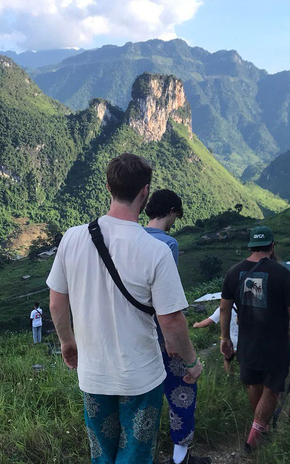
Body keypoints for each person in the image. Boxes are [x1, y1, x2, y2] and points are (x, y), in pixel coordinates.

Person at [48, 154, 203, 464]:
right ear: (145, 193)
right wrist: (191, 362)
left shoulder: (72, 238)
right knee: (134, 455)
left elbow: (56, 300)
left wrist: (67, 342)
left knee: (101, 456)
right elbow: (171, 321)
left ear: (108, 187)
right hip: (141, 378)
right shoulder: (156, 251)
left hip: (93, 375)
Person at [219, 226, 290, 452]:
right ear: (272, 246)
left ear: (251, 246)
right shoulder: (281, 273)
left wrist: (225, 337)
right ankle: (253, 438)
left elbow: (224, 309)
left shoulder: (234, 272)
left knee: (253, 383)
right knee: (271, 389)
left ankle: (261, 428)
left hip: (247, 343)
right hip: (275, 344)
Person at [144, 189, 210, 464]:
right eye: (176, 216)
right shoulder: (167, 244)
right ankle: (180, 457)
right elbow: (166, 300)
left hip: (135, 331)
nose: (174, 222)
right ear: (171, 211)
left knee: (142, 394)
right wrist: (172, 340)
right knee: (182, 388)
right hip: (162, 331)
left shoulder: (131, 238)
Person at [193, 305, 239, 374]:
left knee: (228, 360)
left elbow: (207, 323)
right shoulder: (247, 305)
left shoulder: (224, 308)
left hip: (230, 342)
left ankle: (230, 378)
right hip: (247, 341)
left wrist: (197, 324)